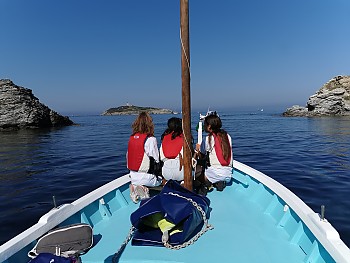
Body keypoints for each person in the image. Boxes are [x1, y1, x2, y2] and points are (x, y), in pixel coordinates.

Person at [127, 112, 162, 203]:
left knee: (138, 179)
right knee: (162, 180)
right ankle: (145, 190)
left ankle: (135, 187)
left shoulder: (132, 138)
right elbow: (156, 159)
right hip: (148, 178)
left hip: (133, 176)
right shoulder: (151, 139)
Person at [195, 112, 233, 195]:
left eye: (205, 124)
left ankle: (207, 183)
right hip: (228, 174)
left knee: (196, 169)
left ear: (209, 126)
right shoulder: (227, 136)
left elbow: (201, 156)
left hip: (215, 173)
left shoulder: (208, 139)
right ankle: (219, 182)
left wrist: (198, 149)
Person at [159, 117, 184, 182]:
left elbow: (161, 157)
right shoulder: (184, 138)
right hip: (181, 171)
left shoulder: (165, 137)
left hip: (166, 172)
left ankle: (166, 183)